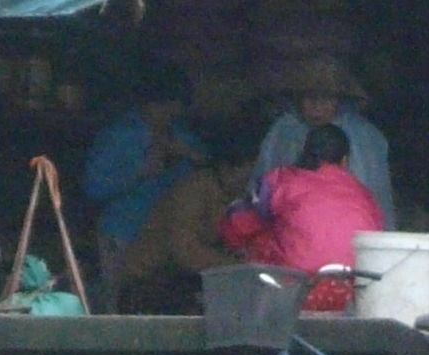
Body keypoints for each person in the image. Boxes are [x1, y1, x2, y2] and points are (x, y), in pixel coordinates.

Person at [224, 123, 384, 309]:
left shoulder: (281, 179)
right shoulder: (364, 193)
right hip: (351, 293)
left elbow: (238, 223)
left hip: (296, 289)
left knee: (261, 234)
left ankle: (259, 310)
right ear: (345, 160)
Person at [250, 56, 394, 229]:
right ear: (298, 99)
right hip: (292, 225)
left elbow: (375, 198)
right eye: (310, 98)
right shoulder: (283, 131)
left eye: (326, 98)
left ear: (339, 101)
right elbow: (262, 190)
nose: (317, 106)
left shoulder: (364, 137)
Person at [82, 67, 207, 261]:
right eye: (164, 105)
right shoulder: (119, 136)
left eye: (176, 106)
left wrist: (191, 155)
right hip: (123, 231)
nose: (170, 112)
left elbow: (213, 173)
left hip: (170, 235)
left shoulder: (182, 137)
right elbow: (94, 188)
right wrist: (139, 173)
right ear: (150, 102)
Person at [117, 150, 244, 312]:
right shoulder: (194, 190)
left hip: (185, 281)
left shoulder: (238, 199)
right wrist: (237, 267)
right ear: (228, 169)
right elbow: (184, 250)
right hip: (149, 281)